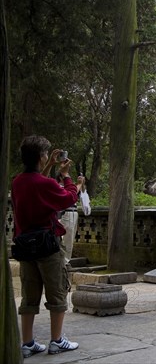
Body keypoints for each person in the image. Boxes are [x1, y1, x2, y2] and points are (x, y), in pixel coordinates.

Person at [11, 135, 84, 358]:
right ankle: (56, 341)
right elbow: (68, 198)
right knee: (57, 292)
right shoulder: (47, 184)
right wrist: (70, 178)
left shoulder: (17, 182)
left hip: (25, 246)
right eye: (46, 154)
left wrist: (50, 166)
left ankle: (28, 343)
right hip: (47, 245)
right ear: (41, 157)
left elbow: (35, 185)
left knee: (29, 295)